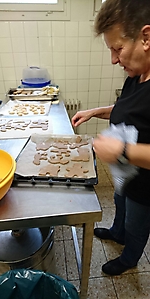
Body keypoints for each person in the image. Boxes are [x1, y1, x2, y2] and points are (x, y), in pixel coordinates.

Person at [71, 0, 150, 276]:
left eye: (118, 49)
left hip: (146, 188)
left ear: (146, 37)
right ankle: (118, 232)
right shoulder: (137, 75)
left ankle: (129, 257)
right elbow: (128, 110)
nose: (114, 60)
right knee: (120, 207)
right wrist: (96, 112)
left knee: (137, 225)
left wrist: (122, 150)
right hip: (125, 176)